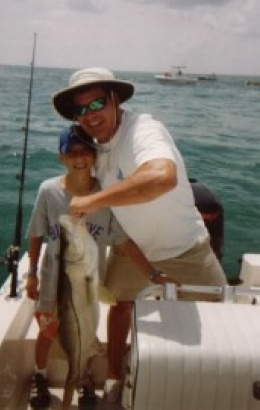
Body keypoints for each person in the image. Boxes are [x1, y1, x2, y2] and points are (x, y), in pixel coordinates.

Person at [52, 67, 228, 400]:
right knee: (120, 307)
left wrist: (93, 200)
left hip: (187, 248)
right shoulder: (95, 145)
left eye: (97, 103)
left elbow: (162, 176)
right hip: (132, 250)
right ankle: (116, 378)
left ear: (115, 100)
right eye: (81, 110)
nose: (91, 115)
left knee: (223, 319)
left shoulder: (144, 130)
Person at [26, 124, 177, 408]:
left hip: (88, 284)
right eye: (72, 152)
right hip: (50, 283)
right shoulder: (48, 191)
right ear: (61, 157)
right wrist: (32, 273)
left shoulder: (107, 197)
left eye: (86, 151)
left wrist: (152, 273)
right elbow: (35, 233)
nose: (79, 158)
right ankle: (40, 375)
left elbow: (122, 242)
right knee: (47, 332)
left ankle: (81, 379)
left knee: (89, 334)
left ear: (95, 156)